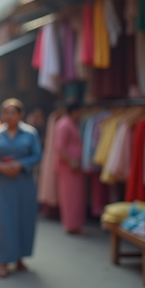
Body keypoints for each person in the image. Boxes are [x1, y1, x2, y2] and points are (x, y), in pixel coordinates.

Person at [0, 99, 42, 278]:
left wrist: (21, 164)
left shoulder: (30, 133)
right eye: (6, 112)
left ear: (20, 114)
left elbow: (37, 155)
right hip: (3, 184)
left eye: (13, 112)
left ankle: (19, 259)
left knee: (23, 220)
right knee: (4, 222)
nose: (9, 116)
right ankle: (3, 260)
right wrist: (0, 167)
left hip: (24, 183)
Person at [55, 99, 86, 235]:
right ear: (74, 112)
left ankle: (75, 225)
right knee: (70, 196)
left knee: (77, 196)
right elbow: (60, 147)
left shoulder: (73, 123)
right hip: (68, 167)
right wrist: (71, 161)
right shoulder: (64, 124)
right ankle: (71, 225)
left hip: (75, 166)